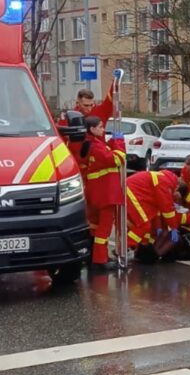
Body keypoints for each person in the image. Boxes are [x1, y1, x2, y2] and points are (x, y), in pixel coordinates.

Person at [81, 116, 126, 273]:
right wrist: (120, 143)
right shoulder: (96, 146)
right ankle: (100, 261)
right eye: (100, 127)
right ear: (92, 129)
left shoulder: (92, 144)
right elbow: (117, 159)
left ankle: (93, 256)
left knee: (94, 226)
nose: (103, 129)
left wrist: (113, 142)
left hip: (96, 192)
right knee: (104, 228)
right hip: (105, 193)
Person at [60, 87, 115, 176]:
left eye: (91, 105)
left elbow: (111, 98)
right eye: (86, 105)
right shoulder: (69, 117)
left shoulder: (100, 111)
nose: (89, 108)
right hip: (77, 164)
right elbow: (60, 139)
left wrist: (115, 81)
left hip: (97, 163)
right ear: (78, 102)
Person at [124, 169, 181, 251]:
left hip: (132, 192)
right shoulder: (166, 183)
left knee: (138, 225)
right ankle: (125, 247)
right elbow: (167, 209)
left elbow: (157, 212)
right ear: (177, 187)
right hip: (133, 194)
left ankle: (136, 248)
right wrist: (174, 228)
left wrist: (159, 228)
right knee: (143, 225)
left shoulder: (162, 178)